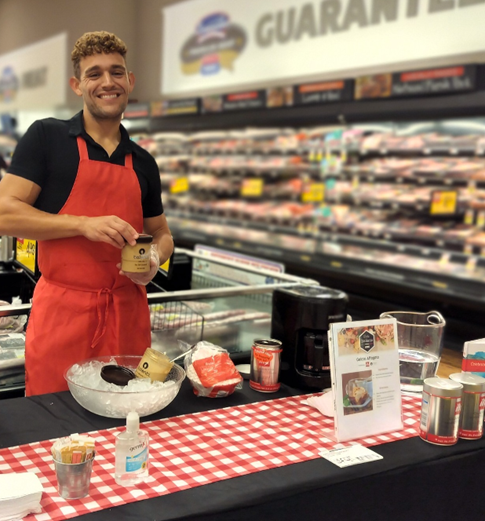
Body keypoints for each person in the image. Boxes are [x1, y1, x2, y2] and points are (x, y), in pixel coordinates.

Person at [0, 31, 174, 396]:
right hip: (63, 318)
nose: (107, 82)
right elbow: (4, 214)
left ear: (130, 81)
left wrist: (156, 256)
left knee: (126, 422)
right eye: (94, 74)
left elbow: (161, 232)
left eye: (116, 72)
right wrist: (82, 224)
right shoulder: (47, 138)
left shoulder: (143, 162)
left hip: (128, 318)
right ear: (77, 85)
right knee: (53, 429)